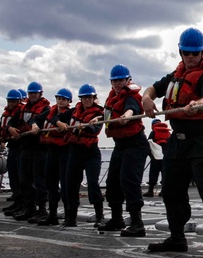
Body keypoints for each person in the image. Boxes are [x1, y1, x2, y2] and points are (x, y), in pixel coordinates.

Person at [141, 27, 203, 258]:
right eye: (187, 53)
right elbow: (153, 88)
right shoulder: (176, 75)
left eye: (195, 53)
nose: (191, 57)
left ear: (202, 52)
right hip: (177, 140)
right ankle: (177, 237)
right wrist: (146, 98)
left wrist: (197, 104)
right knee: (170, 190)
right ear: (180, 52)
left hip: (202, 139)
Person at [99, 64, 149, 237]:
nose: (118, 83)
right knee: (113, 182)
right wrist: (96, 119)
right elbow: (108, 115)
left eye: (121, 80)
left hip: (135, 144)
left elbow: (131, 109)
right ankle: (117, 219)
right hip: (120, 145)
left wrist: (126, 117)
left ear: (128, 80)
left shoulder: (131, 96)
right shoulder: (112, 97)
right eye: (115, 81)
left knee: (129, 181)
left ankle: (137, 223)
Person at [64, 84, 105, 228]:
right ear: (80, 99)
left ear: (94, 98)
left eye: (90, 97)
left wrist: (86, 125)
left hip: (91, 152)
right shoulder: (74, 111)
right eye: (85, 98)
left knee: (93, 183)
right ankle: (71, 217)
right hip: (75, 151)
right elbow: (57, 116)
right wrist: (57, 122)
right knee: (71, 184)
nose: (87, 100)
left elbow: (95, 129)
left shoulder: (100, 113)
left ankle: (99, 216)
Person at [15, 81, 51, 223]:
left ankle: (42, 209)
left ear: (41, 94)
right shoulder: (23, 109)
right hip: (25, 148)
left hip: (39, 149)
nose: (32, 95)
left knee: (39, 180)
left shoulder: (46, 109)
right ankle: (29, 207)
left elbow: (40, 120)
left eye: (34, 93)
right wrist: (10, 129)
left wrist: (34, 125)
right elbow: (13, 122)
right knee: (24, 180)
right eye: (30, 93)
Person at [37, 87, 74, 226]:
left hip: (64, 151)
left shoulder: (70, 113)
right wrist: (35, 124)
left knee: (65, 185)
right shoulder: (50, 112)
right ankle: (52, 215)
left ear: (68, 101)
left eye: (63, 99)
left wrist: (58, 122)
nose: (60, 101)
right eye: (58, 98)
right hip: (51, 152)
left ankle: (68, 215)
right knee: (50, 184)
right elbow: (39, 118)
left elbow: (58, 119)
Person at [0, 89, 25, 216]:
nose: (11, 103)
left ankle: (24, 203)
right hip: (12, 147)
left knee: (22, 177)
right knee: (13, 175)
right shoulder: (5, 114)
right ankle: (17, 201)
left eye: (14, 101)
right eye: (10, 100)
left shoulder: (21, 113)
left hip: (22, 147)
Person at [145, 118, 170, 197]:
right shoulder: (168, 132)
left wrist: (150, 155)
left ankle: (150, 191)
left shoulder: (154, 132)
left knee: (153, 173)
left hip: (155, 157)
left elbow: (148, 144)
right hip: (166, 157)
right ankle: (163, 191)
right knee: (165, 174)